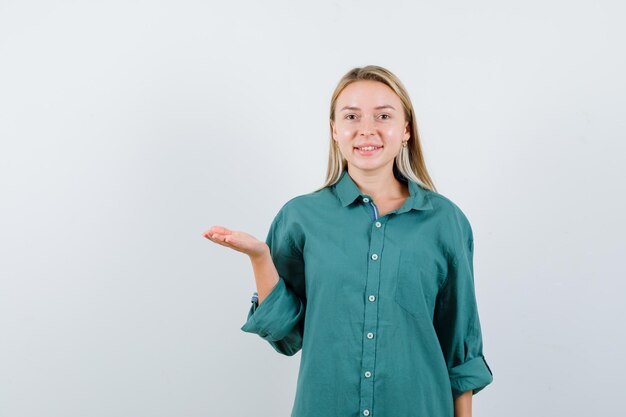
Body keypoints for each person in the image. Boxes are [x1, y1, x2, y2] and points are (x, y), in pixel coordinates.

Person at [203, 65, 493, 417]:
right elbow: (286, 336)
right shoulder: (299, 218)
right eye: (351, 116)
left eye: (383, 115)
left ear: (405, 130)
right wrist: (261, 258)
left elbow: (460, 349)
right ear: (334, 131)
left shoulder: (445, 222)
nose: (366, 129)